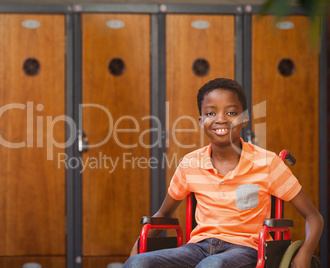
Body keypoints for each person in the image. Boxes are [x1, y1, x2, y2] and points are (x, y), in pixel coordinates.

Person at [123, 78, 323, 268]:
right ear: (201, 121)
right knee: (137, 264)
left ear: (244, 119)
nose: (220, 119)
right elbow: (164, 214)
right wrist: (136, 249)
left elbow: (314, 217)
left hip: (246, 249)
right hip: (198, 248)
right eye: (211, 114)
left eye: (231, 113)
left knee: (211, 265)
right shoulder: (190, 163)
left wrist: (305, 252)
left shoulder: (267, 163)